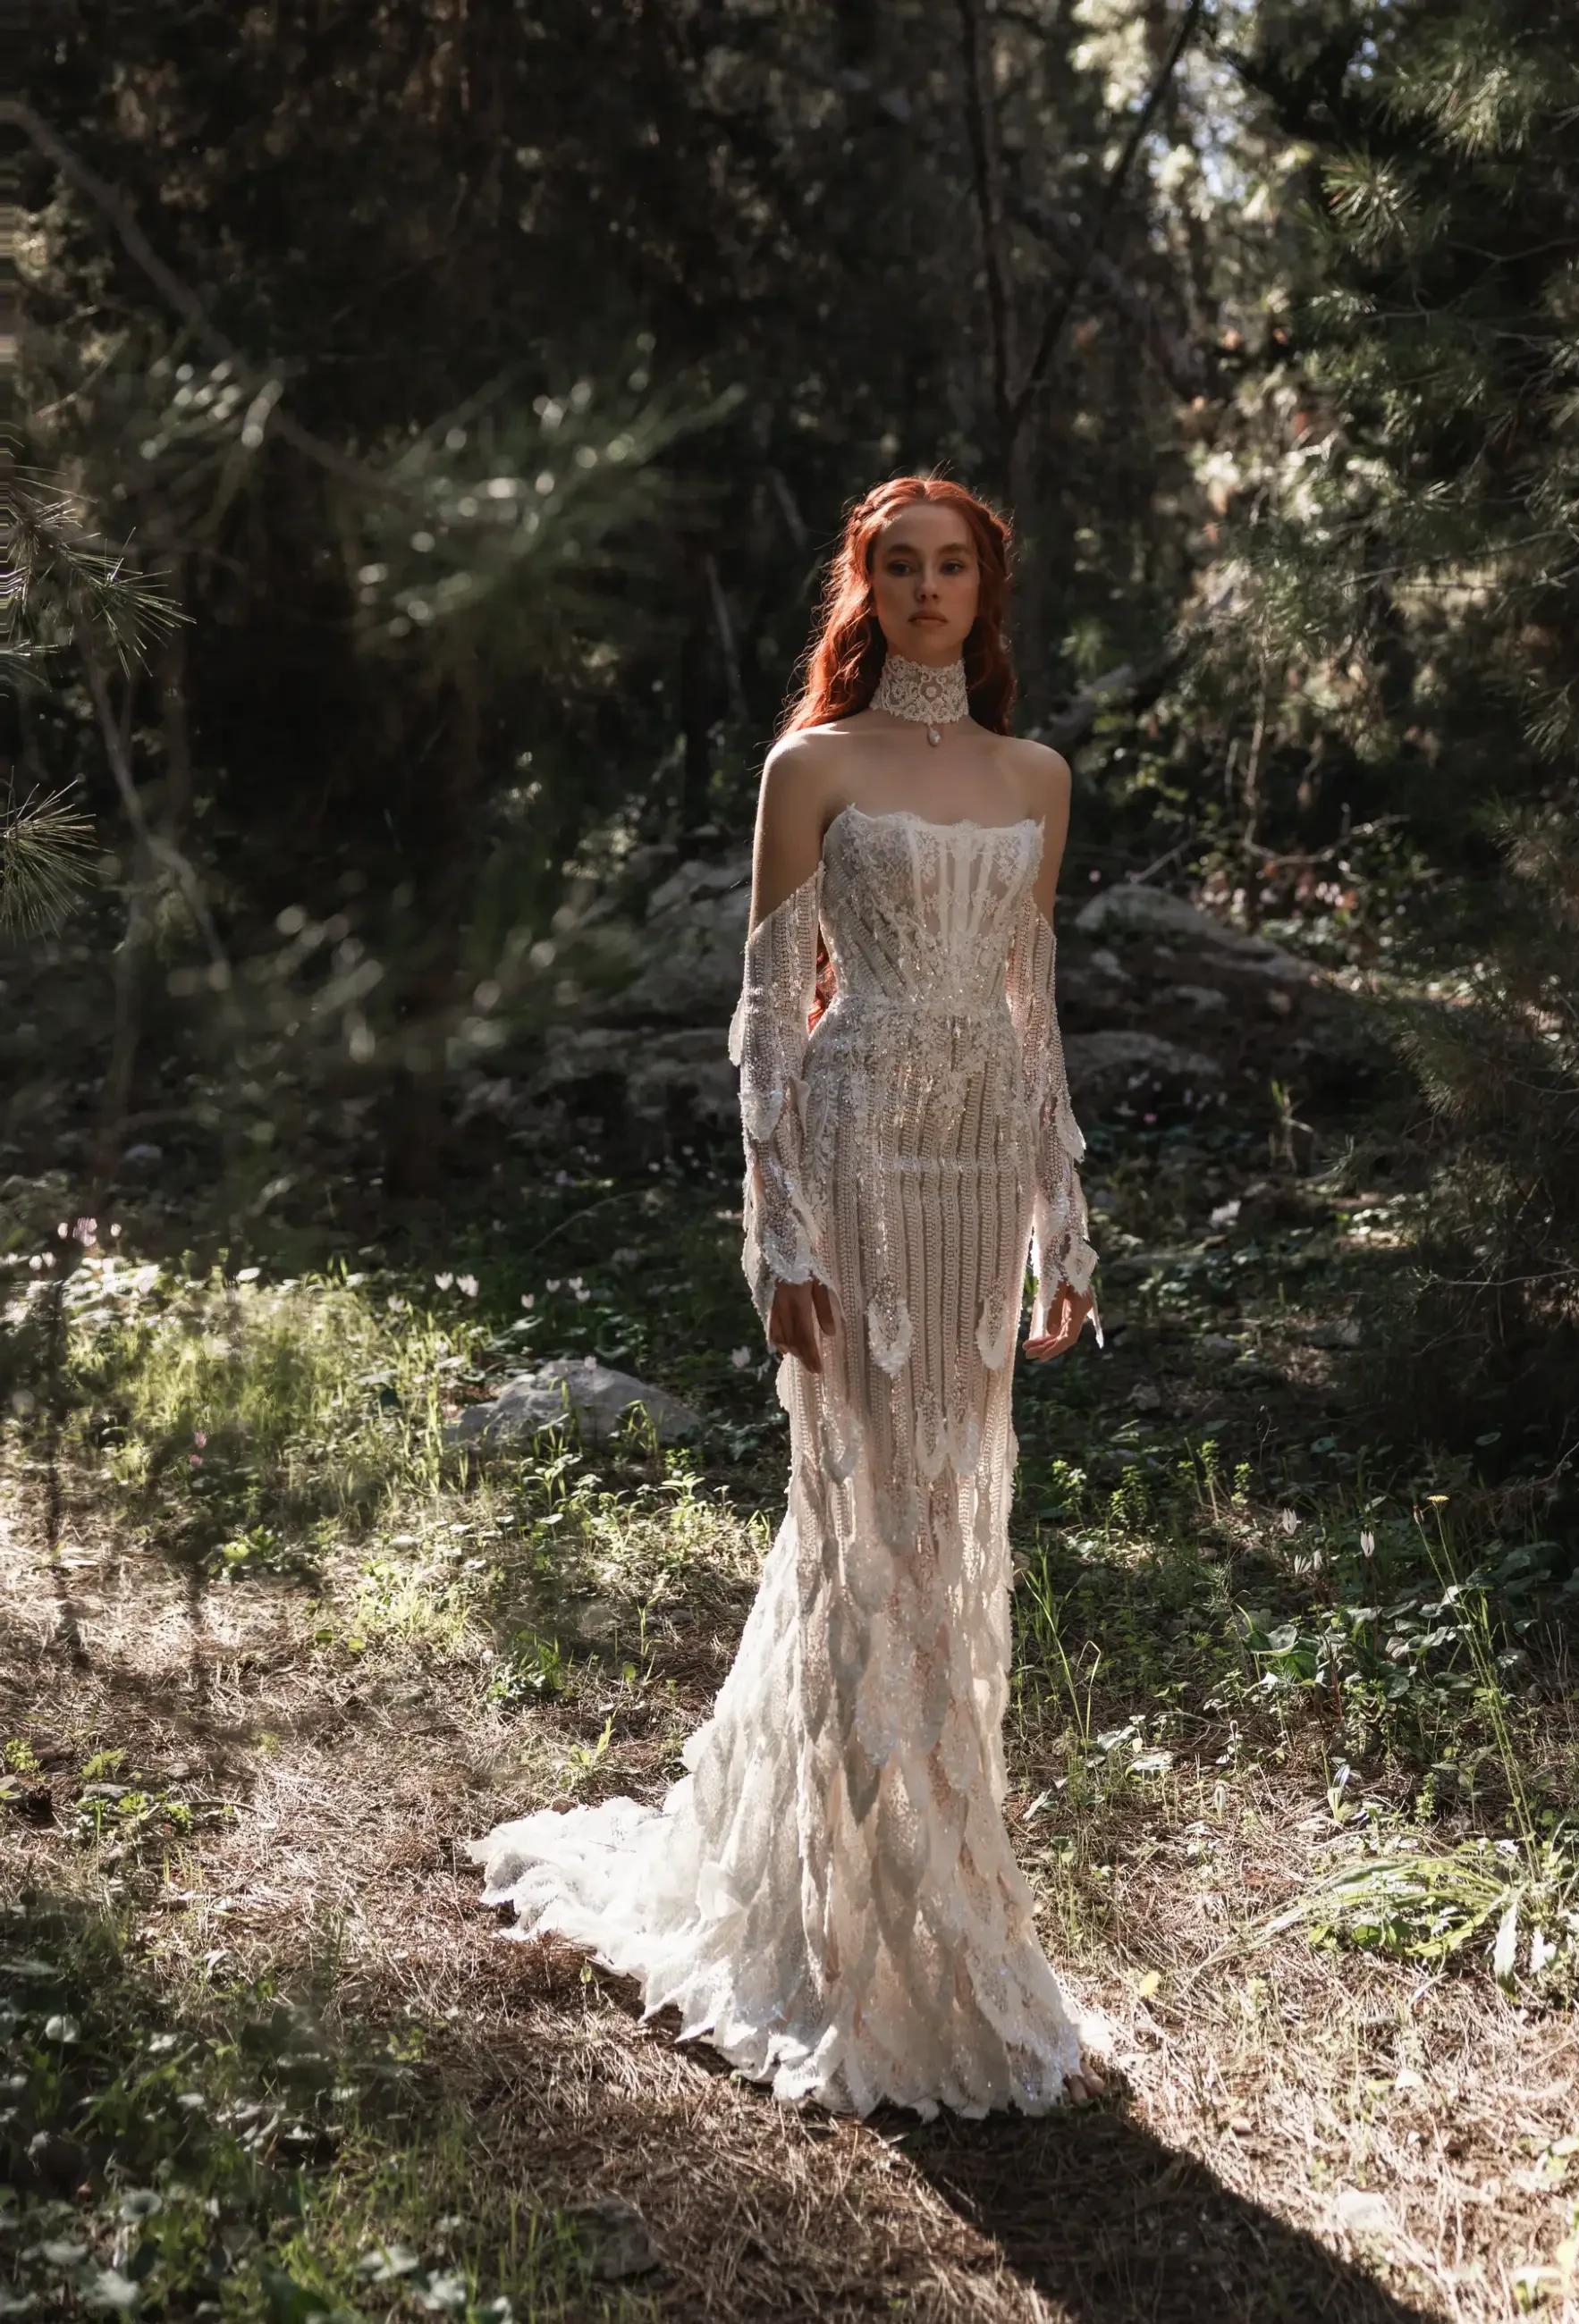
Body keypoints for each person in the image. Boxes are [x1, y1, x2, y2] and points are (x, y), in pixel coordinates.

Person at [469, 475, 1103, 2117]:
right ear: (865, 589)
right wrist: (783, 1239)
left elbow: (1032, 1011)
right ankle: (841, 1931)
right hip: (859, 1145)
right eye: (899, 566)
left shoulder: (1037, 776)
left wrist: (1066, 1222)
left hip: (978, 1170)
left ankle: (944, 1886)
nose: (928, 589)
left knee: (951, 1513)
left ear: (987, 588)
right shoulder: (809, 766)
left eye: (952, 566)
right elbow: (764, 1013)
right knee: (863, 1514)